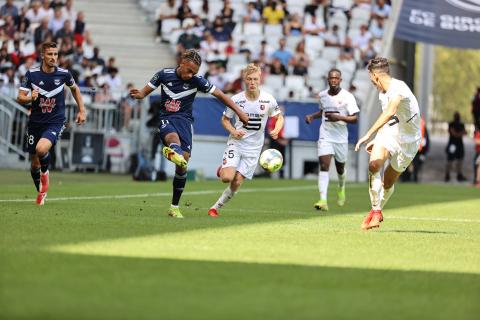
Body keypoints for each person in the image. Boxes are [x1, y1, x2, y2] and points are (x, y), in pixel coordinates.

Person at [130, 49, 248, 218]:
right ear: (182, 63)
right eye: (189, 70)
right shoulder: (164, 74)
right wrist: (138, 94)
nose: (191, 75)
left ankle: (174, 207)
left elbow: (221, 95)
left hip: (185, 122)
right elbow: (144, 92)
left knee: (182, 165)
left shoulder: (197, 81)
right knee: (172, 138)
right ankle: (172, 149)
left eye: (195, 72)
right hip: (166, 118)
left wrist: (239, 112)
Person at [208, 63, 284, 217]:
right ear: (244, 79)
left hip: (254, 149)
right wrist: (233, 131)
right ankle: (222, 169)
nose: (252, 82)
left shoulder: (268, 99)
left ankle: (215, 207)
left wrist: (276, 129)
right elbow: (224, 120)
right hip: (236, 143)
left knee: (236, 182)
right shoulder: (236, 99)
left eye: (255, 79)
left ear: (260, 79)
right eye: (249, 79)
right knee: (227, 178)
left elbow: (279, 117)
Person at [17, 41, 86, 205]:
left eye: (56, 54)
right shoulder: (31, 74)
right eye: (50, 54)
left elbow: (75, 89)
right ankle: (41, 191)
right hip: (35, 122)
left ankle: (45, 175)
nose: (53, 57)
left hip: (55, 121)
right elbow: (20, 97)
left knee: (42, 149)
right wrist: (30, 98)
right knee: (34, 164)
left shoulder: (64, 74)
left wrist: (82, 110)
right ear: (42, 55)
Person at [355, 57, 421, 230]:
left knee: (388, 182)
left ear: (375, 76)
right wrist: (378, 139)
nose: (372, 83)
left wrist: (368, 135)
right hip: (391, 133)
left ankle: (375, 210)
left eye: (371, 79)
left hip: (410, 141)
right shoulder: (382, 93)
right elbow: (390, 119)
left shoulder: (399, 88)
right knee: (375, 164)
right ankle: (376, 212)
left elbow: (391, 111)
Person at [305, 68, 359, 211]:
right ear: (328, 80)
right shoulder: (322, 95)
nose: (334, 80)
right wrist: (312, 116)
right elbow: (323, 111)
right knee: (324, 166)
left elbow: (354, 118)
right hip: (326, 135)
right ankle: (323, 200)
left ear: (340, 80)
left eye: (336, 78)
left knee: (340, 168)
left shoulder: (348, 96)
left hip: (340, 138)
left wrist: (339, 117)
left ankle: (341, 187)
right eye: (331, 78)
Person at [445, 112, 467, 182]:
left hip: (459, 145)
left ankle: (459, 174)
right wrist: (459, 134)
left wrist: (457, 134)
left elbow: (465, 132)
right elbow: (452, 132)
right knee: (450, 160)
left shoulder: (461, 124)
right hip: (452, 144)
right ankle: (447, 174)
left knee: (459, 160)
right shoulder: (451, 124)